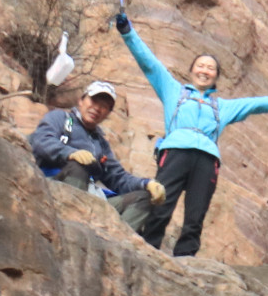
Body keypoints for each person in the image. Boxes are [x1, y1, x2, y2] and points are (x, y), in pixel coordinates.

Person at [114, 12, 268, 257]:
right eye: (200, 66)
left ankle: (186, 259)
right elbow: (149, 63)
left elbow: (257, 104)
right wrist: (127, 32)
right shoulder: (173, 91)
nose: (205, 70)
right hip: (175, 151)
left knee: (196, 213)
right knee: (161, 203)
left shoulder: (221, 107)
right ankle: (149, 250)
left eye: (210, 68)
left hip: (207, 159)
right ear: (191, 71)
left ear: (215, 77)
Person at [28, 81, 166, 219]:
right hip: (55, 188)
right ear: (81, 101)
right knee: (79, 166)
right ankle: (69, 221)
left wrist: (146, 184)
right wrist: (70, 153)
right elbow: (42, 141)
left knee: (143, 198)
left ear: (108, 113)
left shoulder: (100, 143)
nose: (97, 108)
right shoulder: (62, 119)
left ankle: (116, 239)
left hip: (91, 197)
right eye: (94, 101)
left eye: (104, 106)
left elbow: (118, 177)